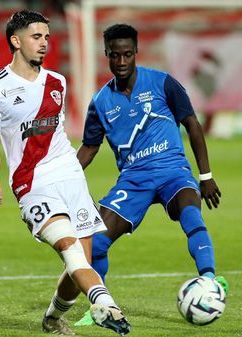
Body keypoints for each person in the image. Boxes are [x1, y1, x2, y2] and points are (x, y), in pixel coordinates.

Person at [0, 10, 130, 336]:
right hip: (32, 183)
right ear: (15, 41)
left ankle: (51, 319)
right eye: (36, 37)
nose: (44, 43)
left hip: (71, 178)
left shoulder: (57, 82)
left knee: (80, 265)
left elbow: (56, 136)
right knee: (68, 246)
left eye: (47, 37)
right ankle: (105, 302)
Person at [75, 23, 229, 325]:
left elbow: (192, 125)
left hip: (173, 171)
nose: (121, 62)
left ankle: (210, 280)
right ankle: (100, 307)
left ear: (136, 53)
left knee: (191, 213)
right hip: (134, 180)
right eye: (115, 56)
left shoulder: (163, 83)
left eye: (127, 55)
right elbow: (89, 149)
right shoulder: (100, 102)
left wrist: (206, 175)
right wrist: (61, 176)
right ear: (106, 55)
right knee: (96, 241)